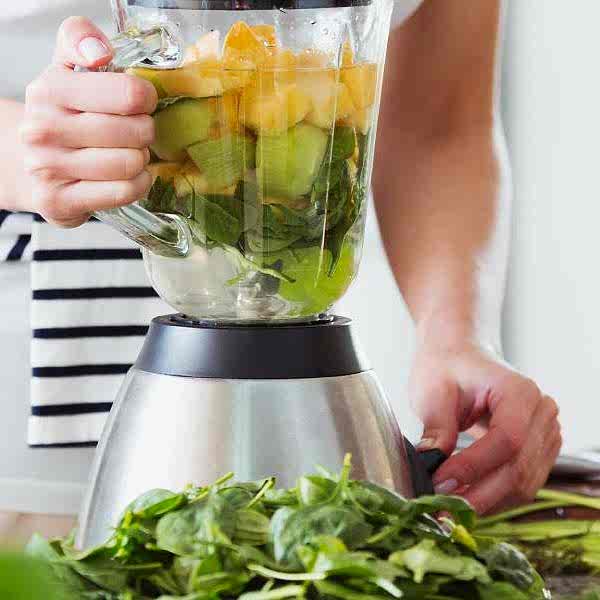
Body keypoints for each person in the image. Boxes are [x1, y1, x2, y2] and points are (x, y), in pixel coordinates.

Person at [1, 0, 560, 542]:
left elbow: (439, 125)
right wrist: (31, 156)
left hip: (304, 393)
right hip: (24, 410)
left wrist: (455, 336)